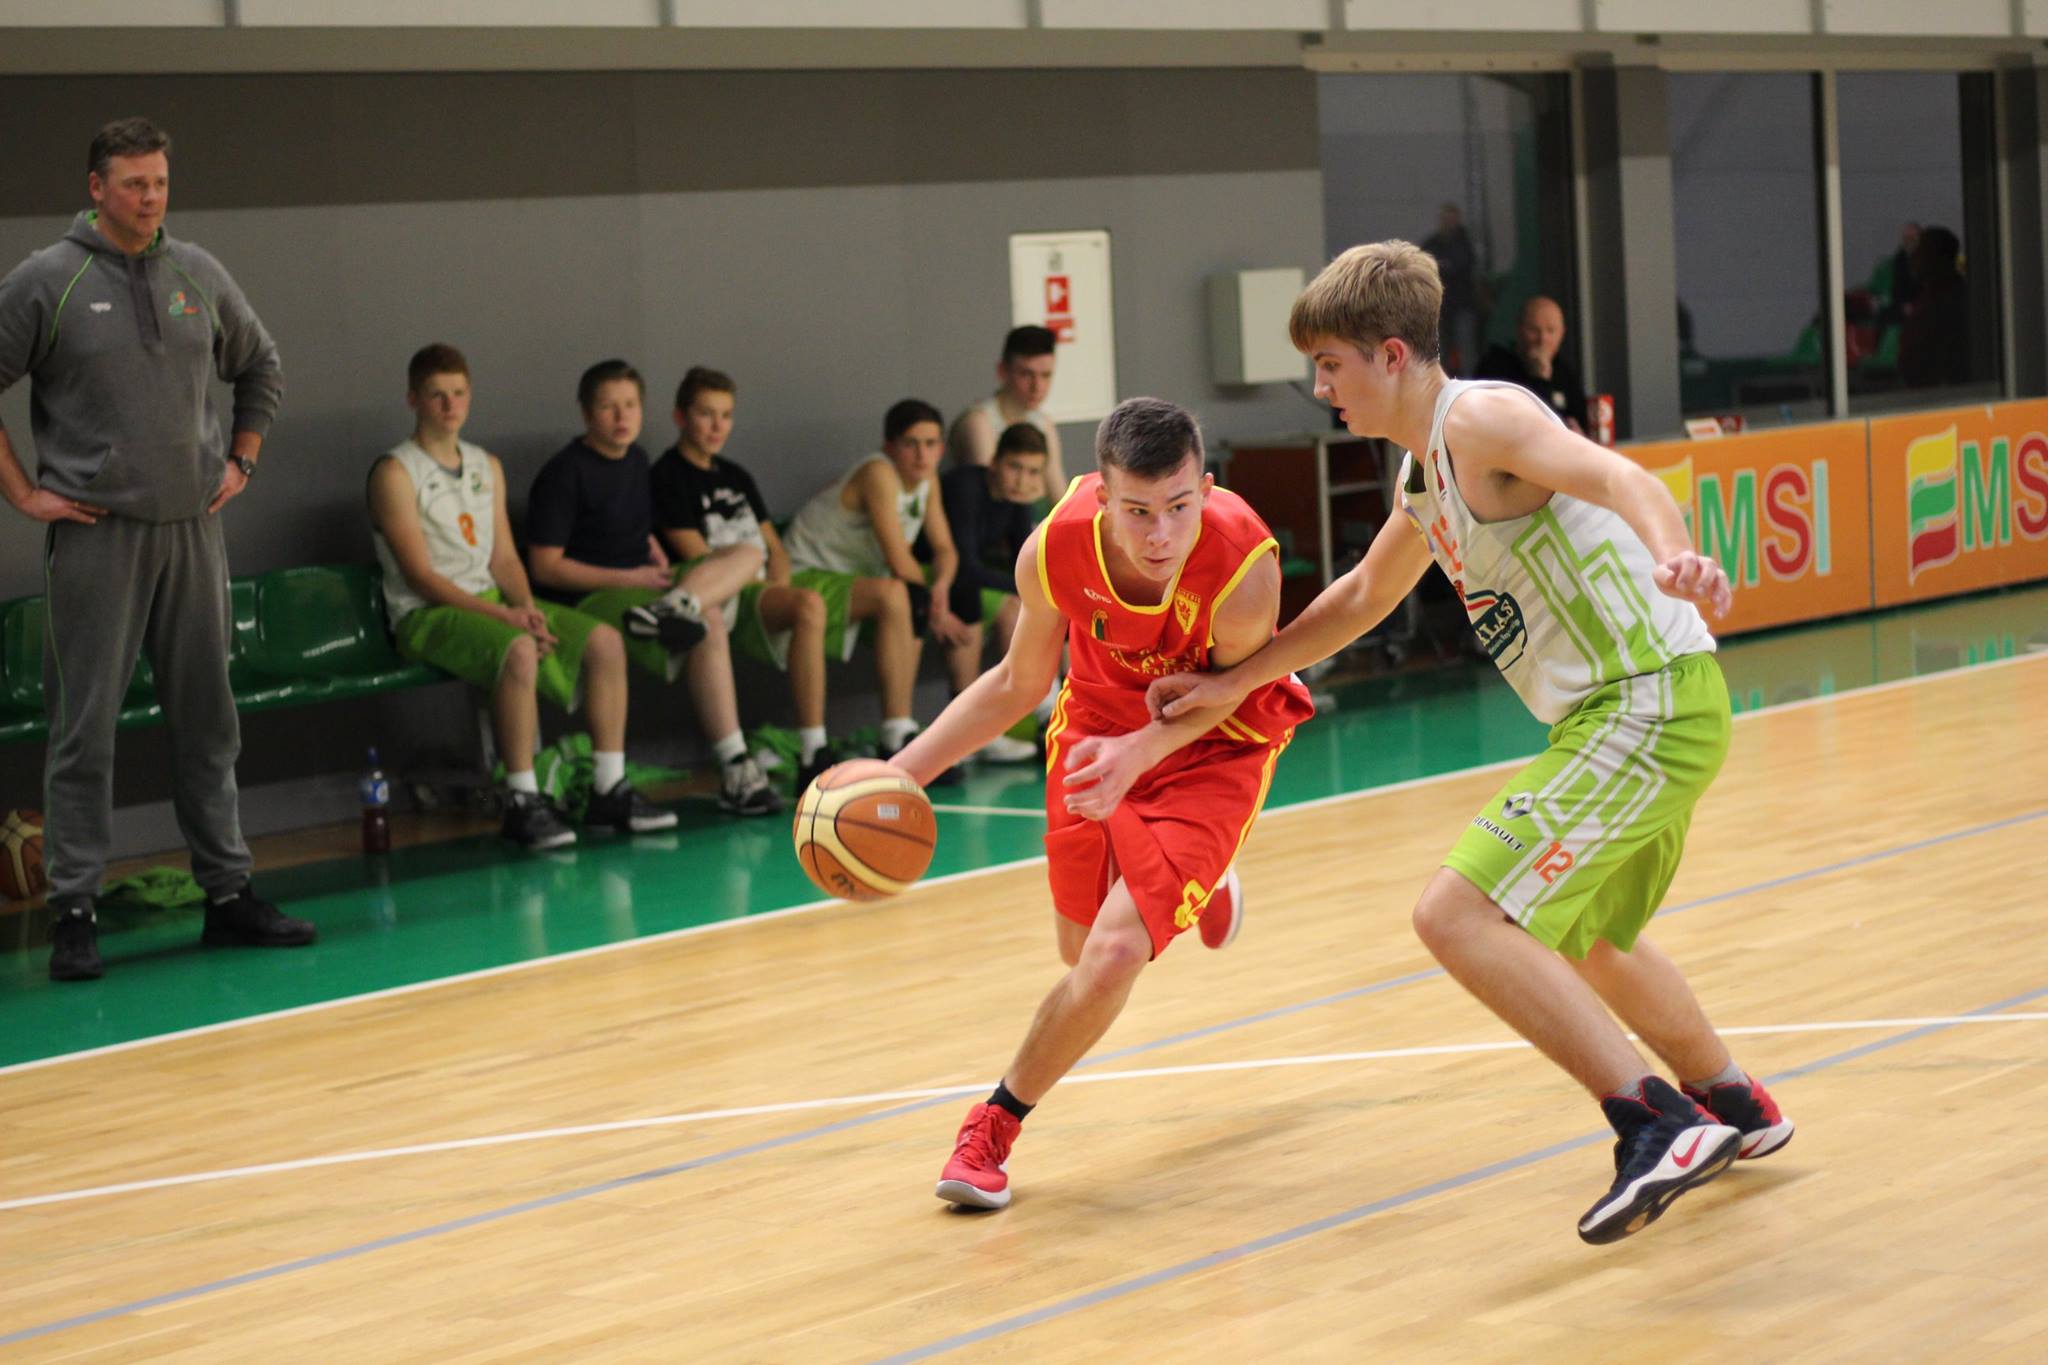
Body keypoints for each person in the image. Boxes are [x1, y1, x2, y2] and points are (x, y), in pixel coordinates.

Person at [1149, 241, 1794, 1245]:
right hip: (1632, 709)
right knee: (1588, 940)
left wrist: (1674, 554)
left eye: (1330, 365)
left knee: (1453, 914)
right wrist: (1234, 682)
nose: (1320, 388)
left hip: (1645, 702)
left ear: (1391, 354)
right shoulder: (1424, 474)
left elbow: (1618, 475)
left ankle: (1654, 1122)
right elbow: (1362, 596)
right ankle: (1733, 1103)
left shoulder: (1480, 419)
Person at [888, 397, 1314, 1210]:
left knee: (1114, 954)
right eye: (1138, 511)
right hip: (1094, 725)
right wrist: (903, 771)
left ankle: (991, 1127)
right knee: (1078, 950)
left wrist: (1143, 752)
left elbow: (1229, 693)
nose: (1161, 534)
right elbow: (1016, 682)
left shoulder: (1241, 567)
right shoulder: (1054, 547)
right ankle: (1205, 886)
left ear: (1206, 487)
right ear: (1101, 495)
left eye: (1180, 506)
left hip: (1217, 743)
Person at [0, 116, 315, 982]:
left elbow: (262, 366)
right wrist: (22, 492)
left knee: (209, 720)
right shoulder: (47, 280)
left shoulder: (197, 272)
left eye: (161, 183)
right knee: (84, 730)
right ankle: (73, 911)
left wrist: (242, 459)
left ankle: (228, 893)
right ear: (96, 187)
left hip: (193, 532)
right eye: (135, 183)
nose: (151, 198)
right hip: (96, 537)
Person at [369, 345, 672, 849]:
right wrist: (505, 617)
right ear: (413, 400)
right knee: (519, 648)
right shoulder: (396, 472)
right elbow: (420, 577)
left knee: (604, 642)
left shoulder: (485, 464)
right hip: (426, 615)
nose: (450, 405)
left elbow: (506, 558)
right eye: (437, 395)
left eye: (459, 393)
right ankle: (523, 800)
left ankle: (609, 788)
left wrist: (526, 608)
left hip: (490, 599)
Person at [525, 359, 779, 816]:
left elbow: (629, 525)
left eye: (630, 405)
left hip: (648, 586)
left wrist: (652, 550)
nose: (621, 416)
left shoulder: (637, 460)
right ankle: (735, 763)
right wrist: (631, 578)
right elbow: (545, 568)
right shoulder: (564, 472)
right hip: (594, 597)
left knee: (747, 553)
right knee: (709, 619)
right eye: (609, 406)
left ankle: (679, 605)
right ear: (586, 413)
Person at [651, 365, 846, 791]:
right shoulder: (666, 476)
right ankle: (746, 760)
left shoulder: (736, 475)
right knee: (757, 587)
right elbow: (697, 556)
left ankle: (813, 749)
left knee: (808, 604)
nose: (717, 426)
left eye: (726, 415)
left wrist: (777, 588)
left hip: (758, 587)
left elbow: (775, 549)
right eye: (706, 414)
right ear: (681, 417)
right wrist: (754, 579)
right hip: (714, 593)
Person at [782, 398, 974, 764]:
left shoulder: (928, 480)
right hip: (807, 574)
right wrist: (937, 611)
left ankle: (916, 732)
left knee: (927, 595)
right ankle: (894, 734)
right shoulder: (878, 474)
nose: (922, 455)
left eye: (931, 443)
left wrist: (941, 588)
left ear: (942, 448)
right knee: (901, 595)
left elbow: (945, 549)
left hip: (857, 579)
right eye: (911, 443)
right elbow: (897, 559)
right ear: (890, 447)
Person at [935, 422, 1047, 762]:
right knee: (983, 596)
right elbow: (964, 565)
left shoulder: (1016, 497)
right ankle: (966, 732)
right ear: (994, 462)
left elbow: (1024, 562)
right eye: (1015, 467)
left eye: (1032, 472)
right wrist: (1026, 588)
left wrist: (1029, 507)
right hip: (930, 572)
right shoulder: (965, 487)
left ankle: (1044, 715)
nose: (1022, 480)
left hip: (963, 574)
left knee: (1034, 602)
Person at [948, 324, 1064, 491]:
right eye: (1026, 374)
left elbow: (1060, 494)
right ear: (1002, 371)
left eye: (1045, 375)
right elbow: (996, 493)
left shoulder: (1043, 423)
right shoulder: (978, 423)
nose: (1037, 386)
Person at [1474, 296, 1588, 433]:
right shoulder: (1494, 369)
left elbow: (1581, 422)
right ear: (1519, 330)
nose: (1542, 339)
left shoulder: (1564, 373)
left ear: (1562, 334)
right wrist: (1539, 379)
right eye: (1534, 330)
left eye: (1551, 331)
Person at [1421, 204, 1480, 376]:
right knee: (1439, 350)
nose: (1447, 222)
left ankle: (1469, 382)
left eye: (1451, 218)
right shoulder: (1432, 243)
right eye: (1445, 218)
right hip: (1439, 306)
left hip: (1462, 304)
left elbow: (1460, 265)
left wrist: (1443, 266)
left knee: (1466, 348)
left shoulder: (1465, 244)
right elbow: (1424, 264)